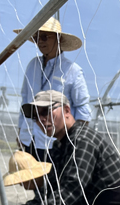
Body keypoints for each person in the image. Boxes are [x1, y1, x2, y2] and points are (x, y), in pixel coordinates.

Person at [15, 18, 90, 165]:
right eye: (36, 38)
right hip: (31, 140)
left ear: (58, 38)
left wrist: (75, 141)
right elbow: (25, 100)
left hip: (57, 143)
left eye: (44, 37)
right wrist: (21, 132)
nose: (40, 42)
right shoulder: (33, 65)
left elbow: (83, 110)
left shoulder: (72, 70)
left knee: (57, 185)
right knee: (35, 185)